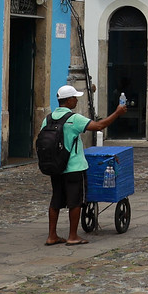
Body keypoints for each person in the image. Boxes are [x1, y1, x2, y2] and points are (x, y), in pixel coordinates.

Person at [40, 84, 127, 245]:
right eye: (75, 98)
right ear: (68, 100)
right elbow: (99, 126)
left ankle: (52, 235)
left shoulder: (48, 119)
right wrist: (117, 113)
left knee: (56, 200)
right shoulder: (74, 119)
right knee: (75, 201)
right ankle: (73, 236)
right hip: (74, 166)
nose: (76, 101)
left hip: (55, 167)